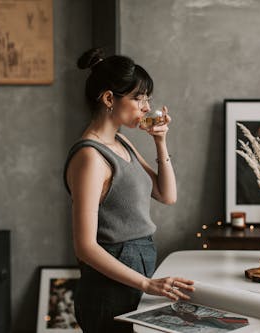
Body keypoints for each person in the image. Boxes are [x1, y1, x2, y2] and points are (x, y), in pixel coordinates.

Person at [63, 47, 195, 333]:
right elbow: (85, 247)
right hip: (109, 286)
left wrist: (160, 141)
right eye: (138, 98)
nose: (147, 107)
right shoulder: (90, 157)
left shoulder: (123, 143)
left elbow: (166, 195)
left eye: (147, 98)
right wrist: (147, 283)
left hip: (138, 268)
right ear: (109, 98)